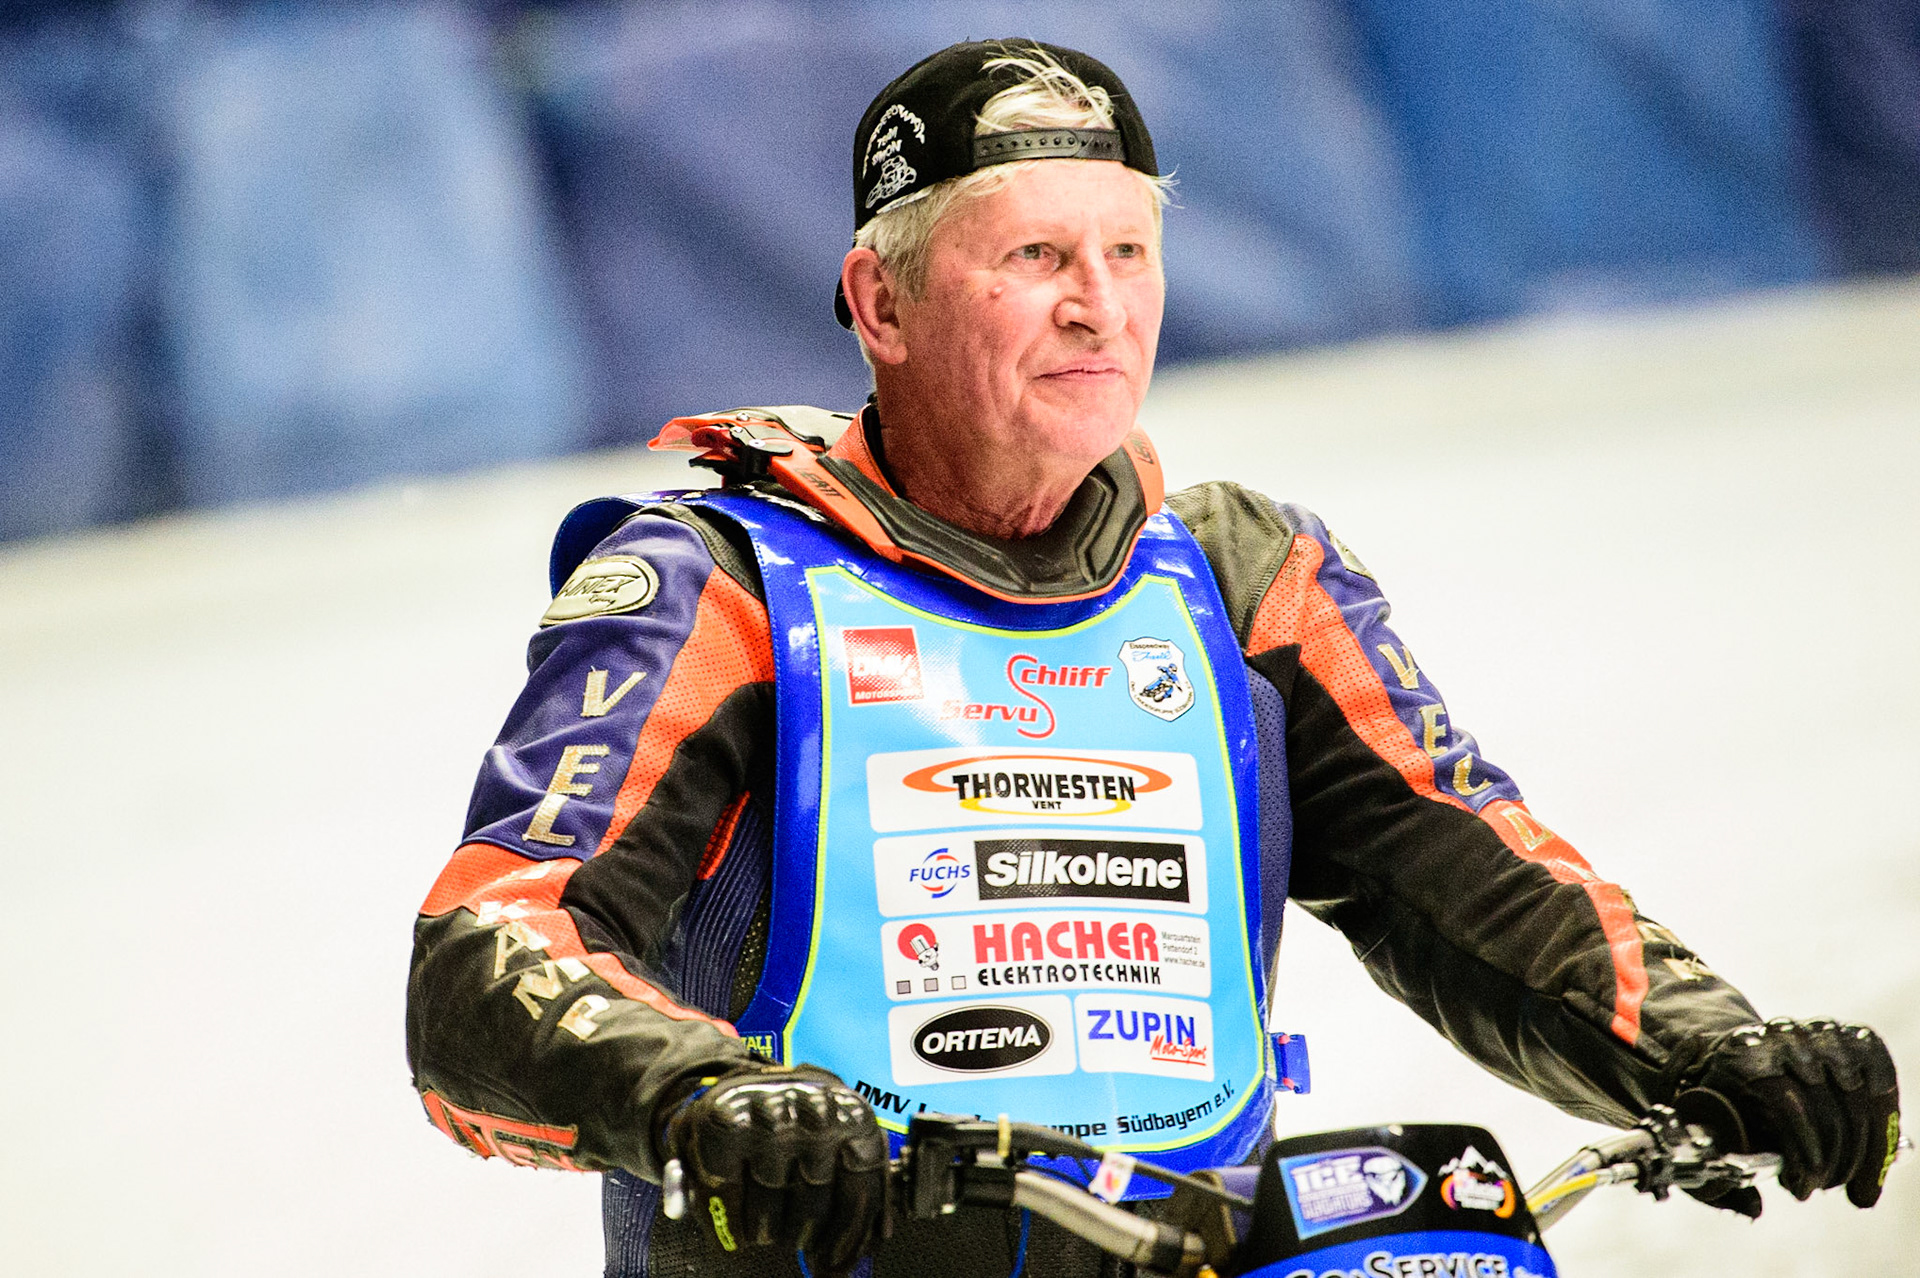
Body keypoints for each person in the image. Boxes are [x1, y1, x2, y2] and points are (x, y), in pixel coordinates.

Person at [406, 39, 1900, 1278]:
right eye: (1037, 256)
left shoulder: (1245, 577)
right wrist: (707, 1098)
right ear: (882, 306)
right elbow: (489, 952)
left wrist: (1727, 1054)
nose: (1099, 305)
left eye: (1129, 251)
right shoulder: (716, 582)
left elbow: (1484, 883)